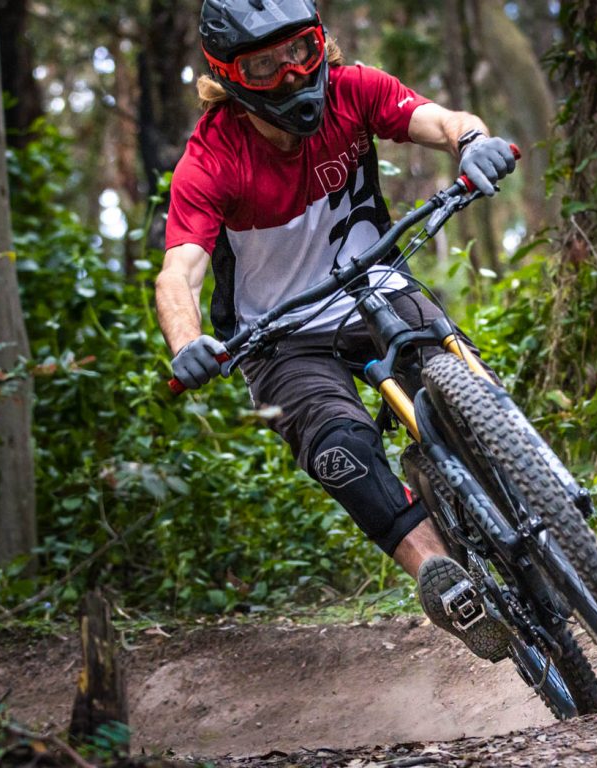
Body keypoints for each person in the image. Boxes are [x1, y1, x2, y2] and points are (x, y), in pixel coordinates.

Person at [156, 0, 518, 662]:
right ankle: (444, 579)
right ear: (227, 77)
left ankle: (565, 544)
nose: (293, 75)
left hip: (375, 287)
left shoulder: (356, 92)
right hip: (279, 336)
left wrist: (473, 142)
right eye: (264, 65)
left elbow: (436, 119)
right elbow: (178, 273)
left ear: (322, 41)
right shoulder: (211, 159)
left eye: (302, 49)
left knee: (465, 379)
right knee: (340, 447)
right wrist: (187, 344)